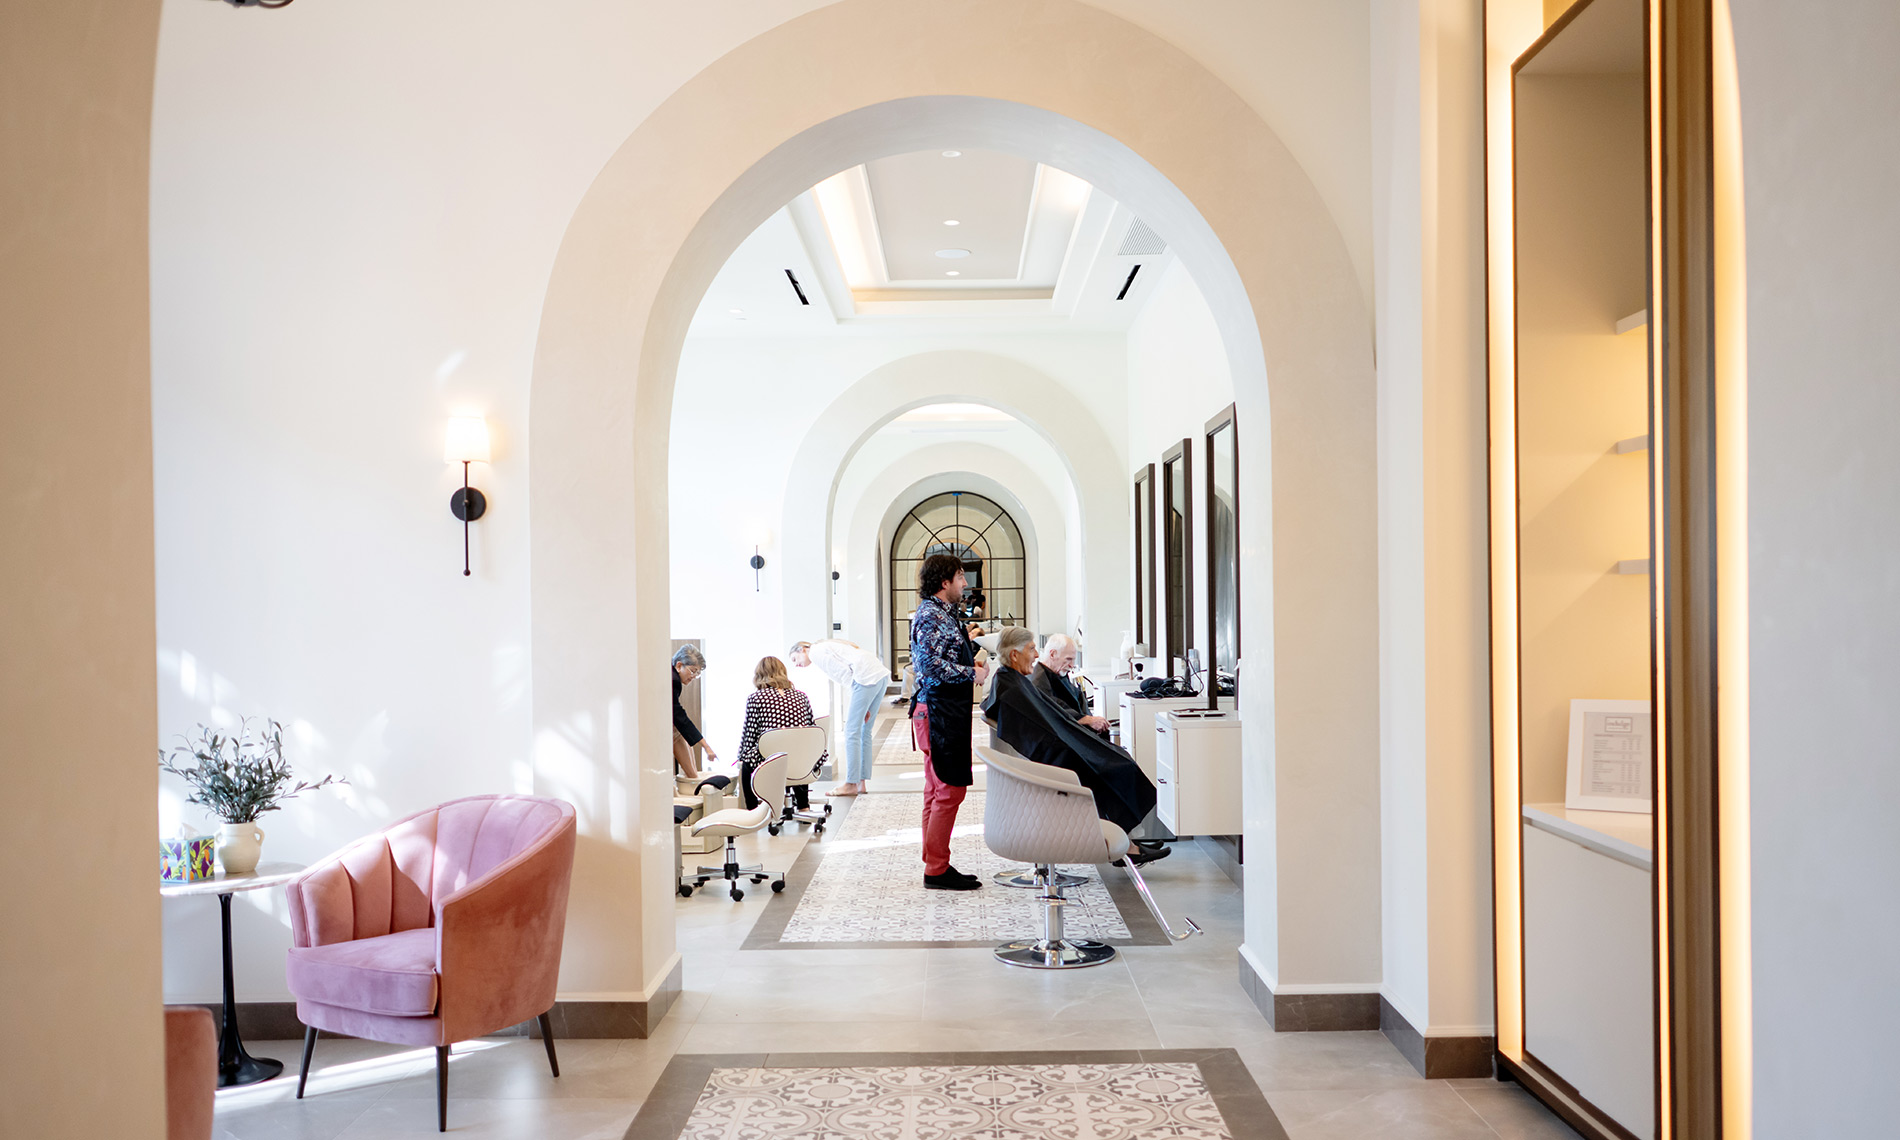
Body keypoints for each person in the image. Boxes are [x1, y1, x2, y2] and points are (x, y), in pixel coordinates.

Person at [987, 626, 1168, 864]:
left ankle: (1125, 841)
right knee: (1115, 768)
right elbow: (1043, 729)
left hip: (1059, 749)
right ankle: (1125, 846)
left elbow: (1051, 719)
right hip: (1053, 761)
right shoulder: (1012, 688)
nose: (1035, 655)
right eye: (1032, 649)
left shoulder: (1013, 681)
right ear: (1014, 655)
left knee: (1116, 760)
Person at [909, 552, 990, 890]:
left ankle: (935, 863)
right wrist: (971, 671)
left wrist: (967, 643)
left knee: (937, 789)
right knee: (950, 790)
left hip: (943, 711)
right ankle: (937, 869)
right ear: (944, 582)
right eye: (960, 577)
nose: (965, 583)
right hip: (937, 712)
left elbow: (941, 653)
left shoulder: (944, 614)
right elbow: (928, 666)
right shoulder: (930, 615)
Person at [790, 638, 887, 797]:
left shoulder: (815, 652)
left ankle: (850, 784)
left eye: (795, 658)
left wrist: (858, 699)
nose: (796, 664)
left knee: (851, 732)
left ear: (802, 649)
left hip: (865, 678)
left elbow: (844, 674)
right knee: (864, 731)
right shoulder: (826, 646)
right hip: (879, 675)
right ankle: (860, 782)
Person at [734, 656, 823, 810]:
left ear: (759, 675)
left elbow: (750, 734)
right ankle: (803, 806)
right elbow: (810, 727)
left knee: (747, 763)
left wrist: (740, 758)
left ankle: (753, 811)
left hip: (773, 759)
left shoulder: (755, 698)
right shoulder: (801, 696)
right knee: (797, 748)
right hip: (804, 759)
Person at [1031, 632, 1111, 734]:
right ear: (1052, 654)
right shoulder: (1038, 681)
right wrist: (1087, 720)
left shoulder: (1059, 674)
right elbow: (1052, 709)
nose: (1072, 665)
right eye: (1068, 659)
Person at [671, 645, 717, 781]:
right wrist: (706, 747)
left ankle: (694, 777)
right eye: (692, 671)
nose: (694, 677)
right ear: (679, 666)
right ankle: (693, 779)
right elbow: (680, 717)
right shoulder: (673, 680)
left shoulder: (672, 677)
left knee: (680, 734)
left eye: (697, 673)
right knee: (677, 734)